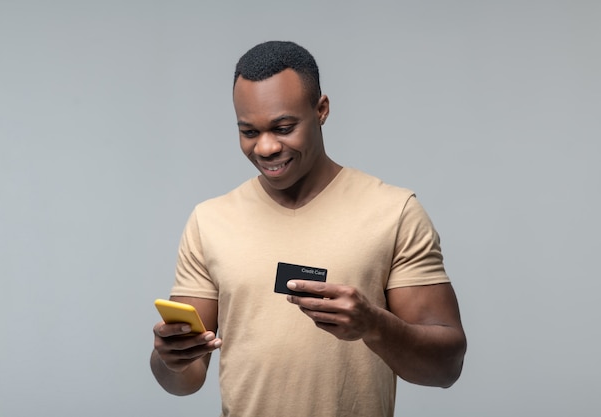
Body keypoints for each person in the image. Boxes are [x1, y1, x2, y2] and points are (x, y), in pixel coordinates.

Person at [151, 40, 467, 417]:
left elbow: (446, 368)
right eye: (249, 132)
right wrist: (168, 360)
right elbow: (185, 380)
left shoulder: (394, 212)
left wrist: (373, 325)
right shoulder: (210, 221)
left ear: (321, 110)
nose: (265, 147)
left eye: (283, 127)